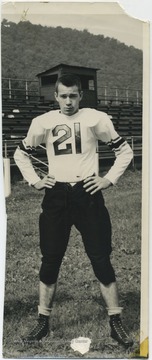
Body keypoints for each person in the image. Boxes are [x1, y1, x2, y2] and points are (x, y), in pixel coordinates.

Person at [14, 73, 133, 347]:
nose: (68, 101)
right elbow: (21, 153)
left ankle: (116, 323)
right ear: (55, 96)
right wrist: (35, 180)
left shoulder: (96, 118)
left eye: (73, 96)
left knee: (101, 258)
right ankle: (42, 322)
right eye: (63, 96)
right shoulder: (42, 122)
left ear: (81, 95)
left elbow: (124, 151)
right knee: (50, 258)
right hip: (56, 196)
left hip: (87, 193)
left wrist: (107, 179)